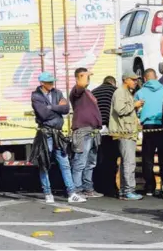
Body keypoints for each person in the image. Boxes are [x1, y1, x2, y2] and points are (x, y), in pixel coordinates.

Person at [31, 72, 86, 203]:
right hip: (45, 134)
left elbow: (66, 109)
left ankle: (72, 193)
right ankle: (47, 193)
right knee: (44, 163)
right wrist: (57, 108)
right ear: (42, 83)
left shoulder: (58, 92)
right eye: (49, 82)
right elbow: (43, 114)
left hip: (58, 133)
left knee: (65, 163)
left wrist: (50, 107)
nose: (52, 84)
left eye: (52, 82)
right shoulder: (36, 96)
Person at [109, 72, 144, 200]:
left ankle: (125, 190)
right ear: (125, 80)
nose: (135, 82)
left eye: (136, 80)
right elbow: (120, 109)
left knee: (126, 162)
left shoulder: (127, 92)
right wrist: (134, 105)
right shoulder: (120, 92)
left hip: (128, 131)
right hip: (125, 132)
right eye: (133, 80)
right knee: (129, 162)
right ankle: (128, 190)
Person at [70, 68, 103, 198]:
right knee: (80, 162)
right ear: (78, 78)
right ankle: (76, 190)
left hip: (93, 131)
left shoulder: (88, 92)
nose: (88, 78)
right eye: (84, 76)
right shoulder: (76, 91)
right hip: (83, 131)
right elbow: (81, 84)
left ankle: (88, 189)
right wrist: (85, 75)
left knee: (90, 163)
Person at [135, 69, 163, 196]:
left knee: (147, 157)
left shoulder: (140, 92)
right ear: (156, 77)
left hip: (148, 126)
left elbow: (137, 110)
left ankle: (150, 187)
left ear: (145, 78)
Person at [92, 76, 118, 197]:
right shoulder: (114, 91)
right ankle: (110, 187)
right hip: (110, 130)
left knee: (97, 159)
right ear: (113, 83)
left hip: (96, 129)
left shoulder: (94, 92)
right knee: (111, 160)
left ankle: (97, 185)